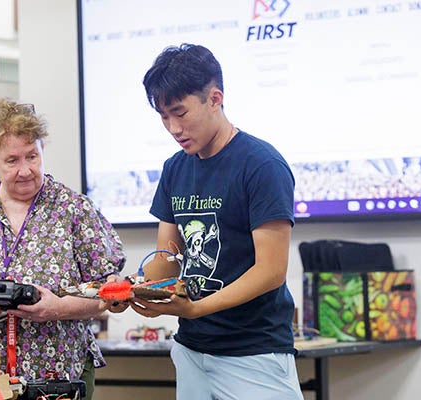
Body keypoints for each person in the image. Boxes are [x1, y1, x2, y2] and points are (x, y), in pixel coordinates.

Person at [111, 43, 304, 399]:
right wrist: (136, 292)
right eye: (163, 117)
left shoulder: (261, 165)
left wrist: (196, 307)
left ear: (215, 98)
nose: (172, 127)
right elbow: (165, 261)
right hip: (192, 350)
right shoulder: (175, 168)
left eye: (180, 113)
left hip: (253, 353)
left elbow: (271, 270)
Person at [0, 98, 126, 399]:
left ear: (42, 148)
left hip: (59, 376)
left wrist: (57, 308)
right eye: (12, 160)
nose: (25, 170)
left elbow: (109, 292)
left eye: (32, 156)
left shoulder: (74, 210)